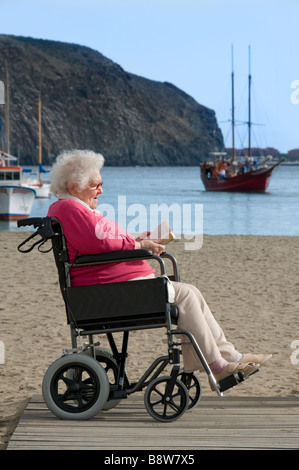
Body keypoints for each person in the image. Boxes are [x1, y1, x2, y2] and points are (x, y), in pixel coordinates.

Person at [48, 150, 272, 385]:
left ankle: (230, 357)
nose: (101, 190)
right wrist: (139, 244)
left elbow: (102, 241)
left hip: (110, 286)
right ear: (74, 187)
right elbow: (99, 243)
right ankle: (217, 367)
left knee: (191, 291)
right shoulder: (71, 209)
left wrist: (139, 238)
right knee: (186, 294)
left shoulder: (74, 209)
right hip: (106, 290)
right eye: (96, 185)